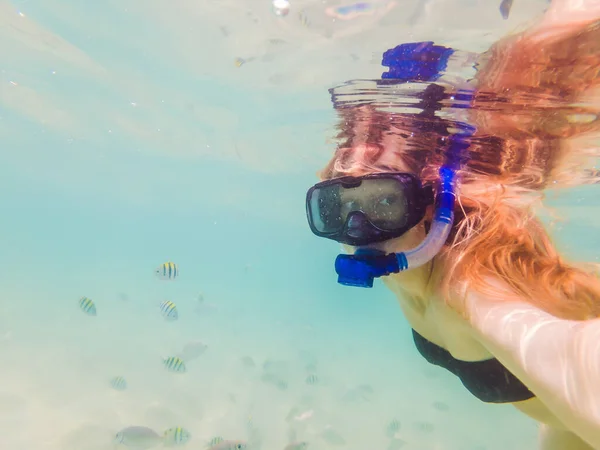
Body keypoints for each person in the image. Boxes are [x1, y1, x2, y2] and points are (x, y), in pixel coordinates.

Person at [305, 1, 600, 449]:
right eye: (338, 207)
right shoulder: (402, 272)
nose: (360, 230)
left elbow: (579, 363)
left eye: (386, 203)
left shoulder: (467, 286)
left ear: (429, 205)